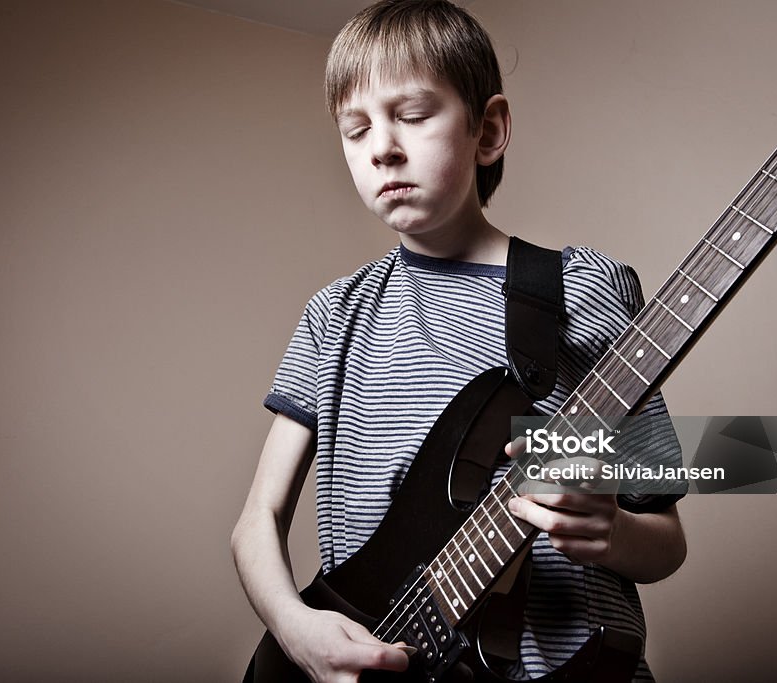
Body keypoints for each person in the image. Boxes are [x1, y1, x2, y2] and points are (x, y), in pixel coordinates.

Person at [231, 1, 687, 680]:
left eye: (413, 116)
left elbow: (667, 539)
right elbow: (256, 520)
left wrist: (615, 531)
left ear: (490, 129)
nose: (381, 146)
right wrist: (295, 630)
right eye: (355, 130)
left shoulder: (584, 289)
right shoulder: (336, 312)